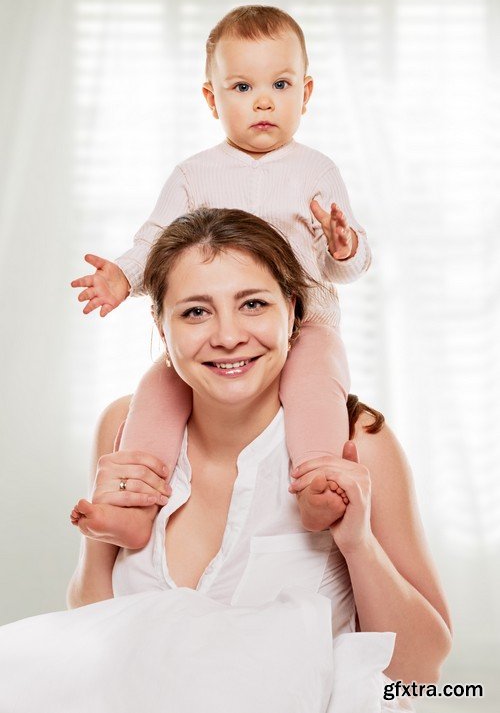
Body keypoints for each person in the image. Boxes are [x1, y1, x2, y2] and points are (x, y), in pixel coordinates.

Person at [68, 208, 452, 696]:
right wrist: (97, 531)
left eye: (252, 304)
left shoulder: (358, 444)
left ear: (292, 312)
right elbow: (90, 622)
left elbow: (423, 671)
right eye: (195, 311)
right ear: (162, 329)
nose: (228, 336)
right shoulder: (122, 428)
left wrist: (358, 545)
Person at [70, 5, 372, 547]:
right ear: (212, 98)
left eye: (280, 84)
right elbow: (158, 243)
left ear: (305, 94)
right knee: (158, 388)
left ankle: (316, 483)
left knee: (315, 384)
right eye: (241, 86)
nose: (262, 101)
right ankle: (135, 506)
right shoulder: (194, 174)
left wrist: (345, 248)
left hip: (306, 322)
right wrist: (122, 276)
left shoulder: (317, 170)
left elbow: (342, 265)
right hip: (211, 325)